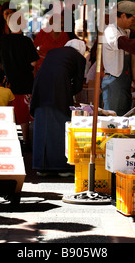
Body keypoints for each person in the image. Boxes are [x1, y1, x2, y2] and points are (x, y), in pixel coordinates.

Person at [30, 39, 86, 177]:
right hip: (59, 88)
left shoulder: (54, 51)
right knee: (60, 124)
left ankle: (41, 166)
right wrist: (70, 93)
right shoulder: (79, 57)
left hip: (40, 86)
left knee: (42, 123)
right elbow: (78, 84)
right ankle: (61, 166)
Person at [0, 11, 39, 152]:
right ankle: (26, 141)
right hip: (24, 82)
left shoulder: (2, 41)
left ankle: (8, 139)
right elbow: (33, 62)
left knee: (7, 111)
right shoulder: (26, 41)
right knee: (23, 113)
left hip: (7, 82)